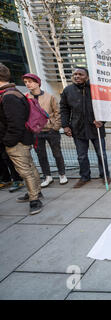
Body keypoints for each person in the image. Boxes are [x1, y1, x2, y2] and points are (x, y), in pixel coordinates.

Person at [0, 63, 43, 215]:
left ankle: (34, 199)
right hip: (21, 139)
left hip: (17, 141)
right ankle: (36, 192)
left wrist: (8, 141)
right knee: (30, 167)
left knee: (25, 171)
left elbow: (15, 123)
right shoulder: (13, 92)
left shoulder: (9, 96)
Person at [60, 67, 111, 188]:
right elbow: (64, 109)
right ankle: (84, 177)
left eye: (80, 74)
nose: (77, 76)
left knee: (101, 154)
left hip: (96, 127)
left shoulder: (96, 90)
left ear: (87, 76)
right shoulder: (68, 90)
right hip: (78, 128)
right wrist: (65, 125)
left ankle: (105, 175)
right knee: (81, 155)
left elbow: (106, 106)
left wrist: (102, 121)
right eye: (75, 74)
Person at [22, 73, 68, 187]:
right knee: (41, 155)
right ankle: (47, 176)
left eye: (30, 81)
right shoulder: (25, 97)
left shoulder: (50, 96)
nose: (28, 84)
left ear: (38, 83)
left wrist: (55, 127)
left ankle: (62, 174)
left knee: (57, 153)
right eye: (25, 82)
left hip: (51, 130)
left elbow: (58, 113)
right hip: (36, 132)